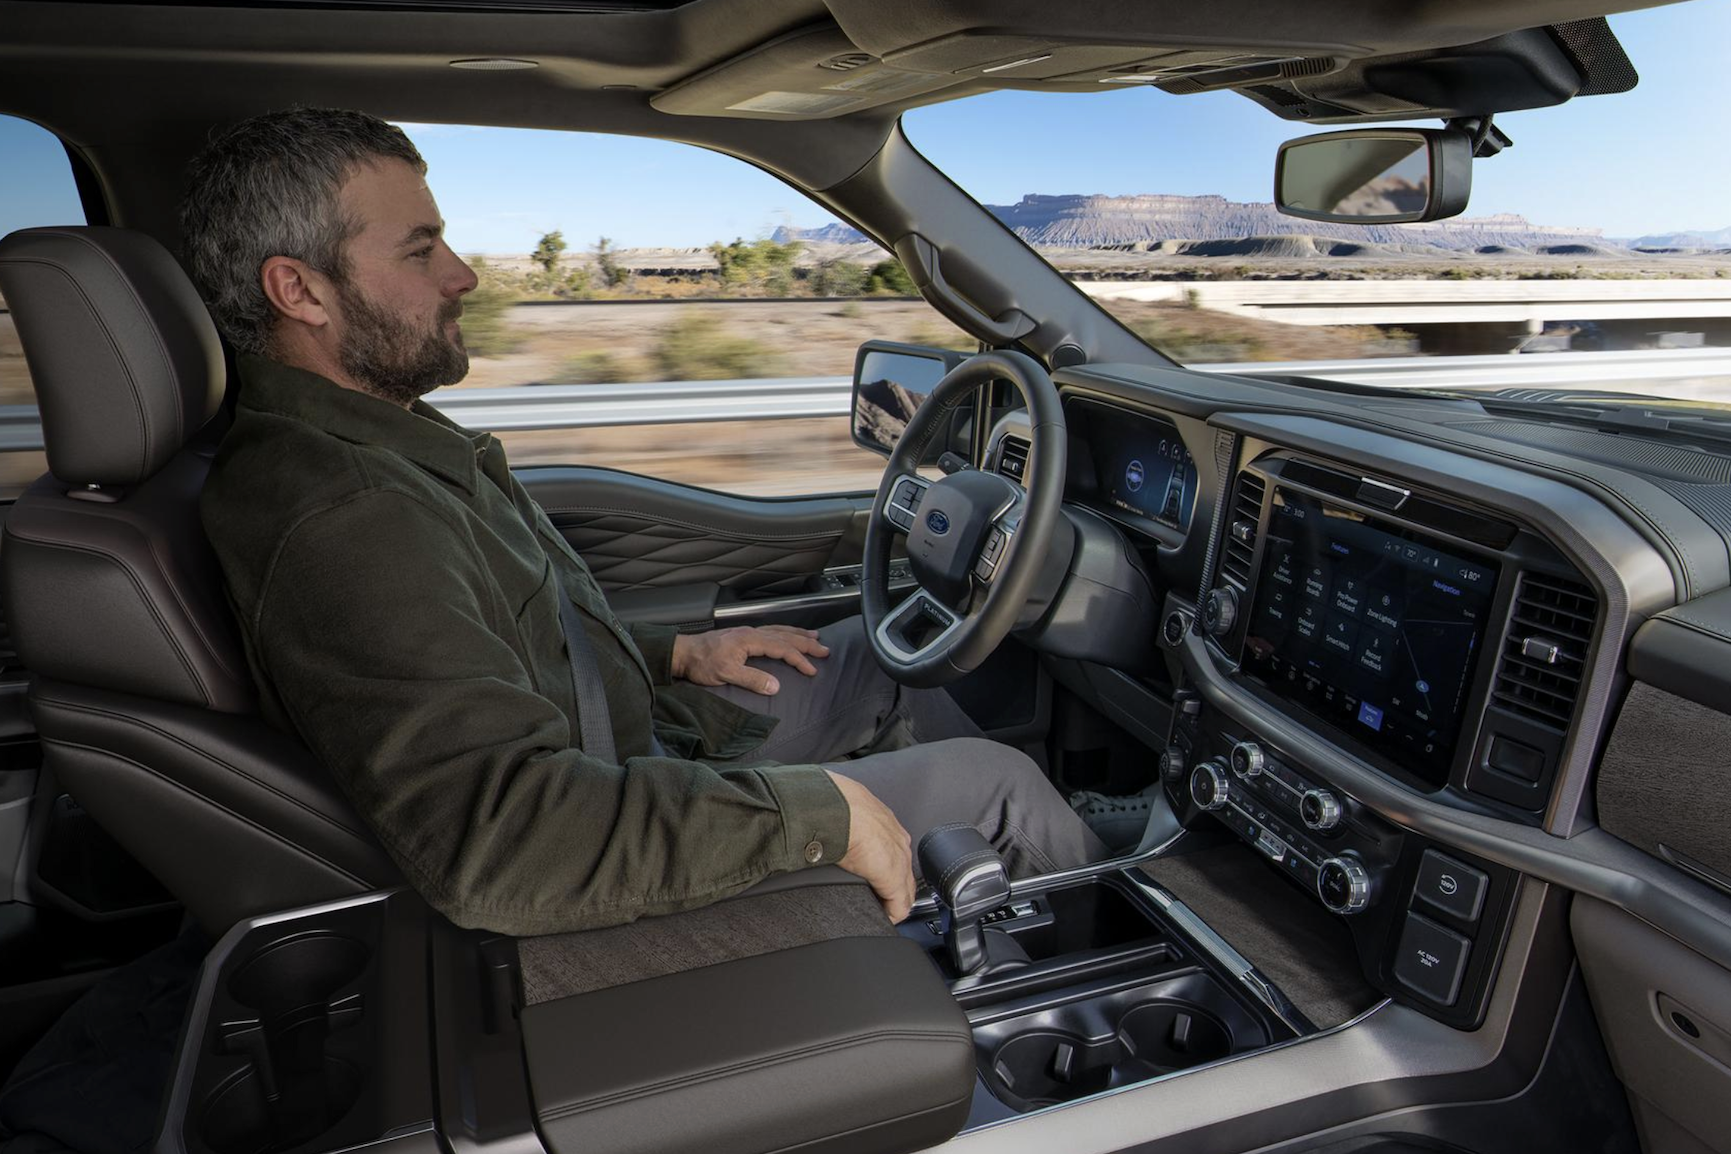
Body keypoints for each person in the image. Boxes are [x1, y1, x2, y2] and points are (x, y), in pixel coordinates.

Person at [183, 108, 1108, 937]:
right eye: (421, 251)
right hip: (605, 822)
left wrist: (670, 655)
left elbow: (495, 635)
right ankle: (1103, 975)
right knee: (1004, 787)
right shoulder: (347, 516)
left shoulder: (370, 437)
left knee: (871, 654)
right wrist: (817, 818)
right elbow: (503, 843)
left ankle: (952, 896)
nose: (463, 276)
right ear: (298, 292)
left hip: (634, 746)